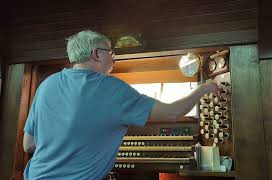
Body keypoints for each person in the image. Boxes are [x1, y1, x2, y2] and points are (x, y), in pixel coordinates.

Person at [23, 30, 220, 180]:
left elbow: (29, 145)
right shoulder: (111, 88)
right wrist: (202, 90)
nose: (114, 57)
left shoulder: (47, 84)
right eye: (111, 52)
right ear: (96, 54)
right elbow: (172, 113)